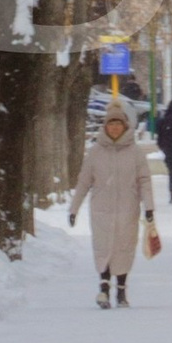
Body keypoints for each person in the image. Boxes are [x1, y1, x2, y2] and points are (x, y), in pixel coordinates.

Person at [68, 100, 160, 308]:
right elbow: (84, 182)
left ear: (125, 126)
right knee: (103, 248)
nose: (115, 128)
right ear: (106, 127)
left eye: (118, 124)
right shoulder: (95, 152)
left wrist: (149, 207)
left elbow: (144, 180)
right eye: (111, 124)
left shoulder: (135, 152)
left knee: (124, 248)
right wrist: (74, 209)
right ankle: (103, 289)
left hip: (127, 209)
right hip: (101, 209)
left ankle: (121, 289)